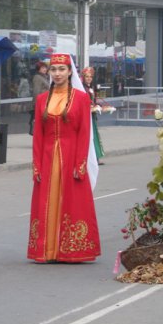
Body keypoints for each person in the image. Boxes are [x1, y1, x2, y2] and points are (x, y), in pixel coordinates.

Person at [27, 53, 101, 263]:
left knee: (71, 201)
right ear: (49, 72)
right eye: (54, 70)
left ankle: (70, 249)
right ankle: (47, 249)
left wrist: (80, 163)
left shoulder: (81, 98)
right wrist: (37, 165)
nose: (57, 74)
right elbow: (38, 136)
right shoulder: (42, 99)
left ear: (70, 72)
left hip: (70, 156)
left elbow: (84, 133)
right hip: (48, 157)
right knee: (47, 202)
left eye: (62, 69)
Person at [82, 67, 105, 165]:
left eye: (90, 77)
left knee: (94, 136)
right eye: (87, 77)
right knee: (88, 137)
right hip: (85, 117)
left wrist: (98, 105)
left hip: (92, 115)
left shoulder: (92, 88)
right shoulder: (82, 88)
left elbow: (95, 100)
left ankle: (96, 157)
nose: (89, 78)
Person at [29, 61, 50, 136]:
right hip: (40, 103)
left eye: (45, 67)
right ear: (38, 69)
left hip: (45, 102)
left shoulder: (44, 77)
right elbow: (36, 91)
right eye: (42, 68)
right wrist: (36, 104)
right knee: (38, 121)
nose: (45, 69)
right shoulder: (37, 77)